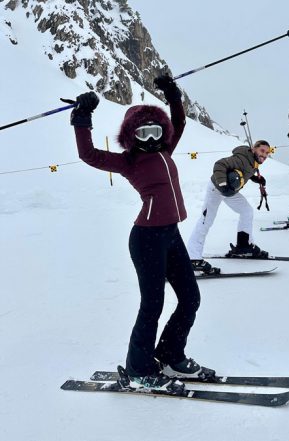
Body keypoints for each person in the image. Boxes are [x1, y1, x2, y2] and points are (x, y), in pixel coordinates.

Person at [70, 75, 214, 393]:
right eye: (142, 133)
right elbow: (89, 155)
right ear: (131, 136)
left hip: (171, 235)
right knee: (152, 304)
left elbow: (179, 120)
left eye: (156, 131)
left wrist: (172, 94)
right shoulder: (129, 161)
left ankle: (171, 355)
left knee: (191, 298)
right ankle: (138, 369)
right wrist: (82, 118)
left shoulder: (167, 149)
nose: (151, 138)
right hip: (147, 238)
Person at [186, 140, 271, 274]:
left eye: (267, 153)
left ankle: (244, 245)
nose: (264, 155)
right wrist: (223, 184)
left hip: (229, 192)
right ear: (254, 149)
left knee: (246, 211)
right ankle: (193, 257)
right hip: (216, 188)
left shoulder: (252, 161)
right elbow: (220, 164)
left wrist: (256, 179)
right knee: (206, 220)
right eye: (262, 151)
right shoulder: (241, 158)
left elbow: (243, 172)